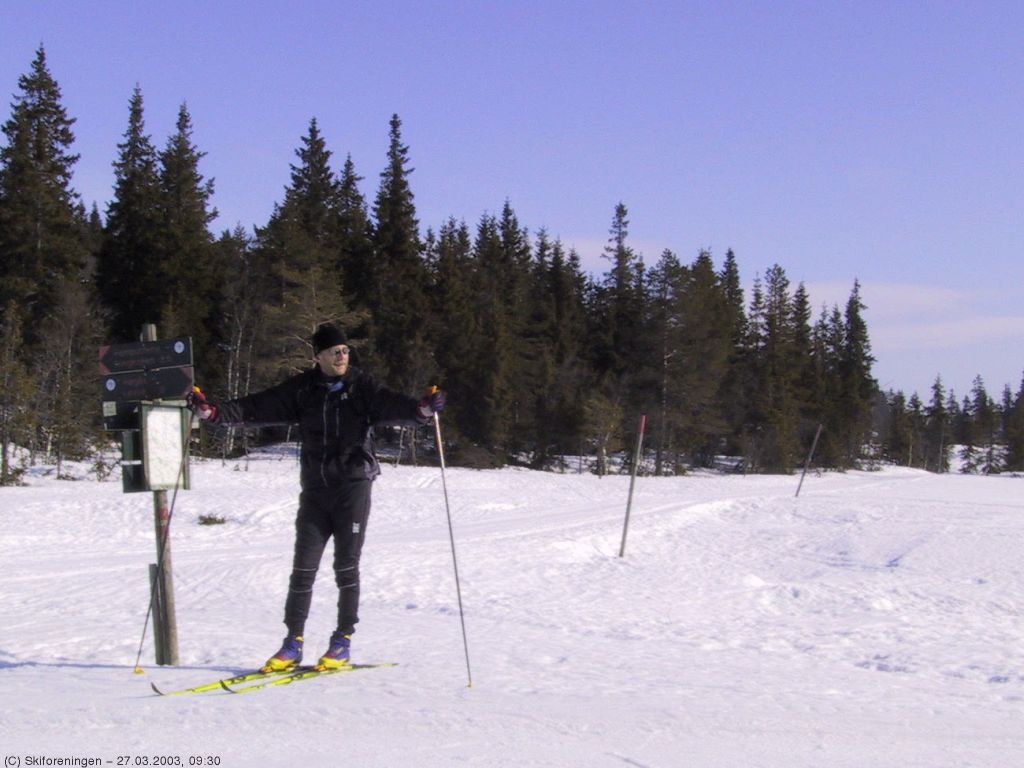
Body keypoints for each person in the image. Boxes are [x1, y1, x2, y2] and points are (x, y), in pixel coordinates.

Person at [187, 323, 445, 672]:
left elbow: (395, 406)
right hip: (315, 490)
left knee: (346, 566)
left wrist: (423, 411)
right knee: (303, 567)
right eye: (334, 351)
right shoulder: (303, 389)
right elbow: (257, 406)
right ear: (318, 357)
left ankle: (342, 640)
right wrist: (213, 413)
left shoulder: (362, 387)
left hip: (353, 487)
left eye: (345, 350)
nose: (342, 356)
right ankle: (292, 643)